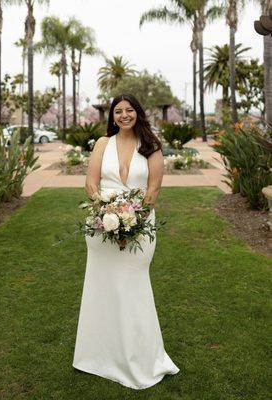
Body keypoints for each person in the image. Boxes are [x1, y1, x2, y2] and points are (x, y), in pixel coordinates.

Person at [72, 93, 180, 389]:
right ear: (112, 116)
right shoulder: (102, 144)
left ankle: (139, 357)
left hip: (140, 226)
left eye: (128, 110)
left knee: (132, 287)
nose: (123, 115)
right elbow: (90, 182)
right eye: (118, 111)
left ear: (137, 113)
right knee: (102, 288)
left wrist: (132, 219)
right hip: (100, 226)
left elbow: (154, 188)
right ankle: (97, 356)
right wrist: (105, 211)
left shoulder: (151, 146)